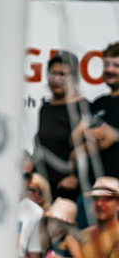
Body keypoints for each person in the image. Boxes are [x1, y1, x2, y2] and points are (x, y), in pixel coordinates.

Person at [34, 51, 87, 210]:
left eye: (63, 75)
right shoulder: (45, 108)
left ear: (74, 78)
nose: (57, 79)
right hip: (42, 187)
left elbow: (87, 150)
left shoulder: (81, 108)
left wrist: (75, 177)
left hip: (67, 191)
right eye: (53, 73)